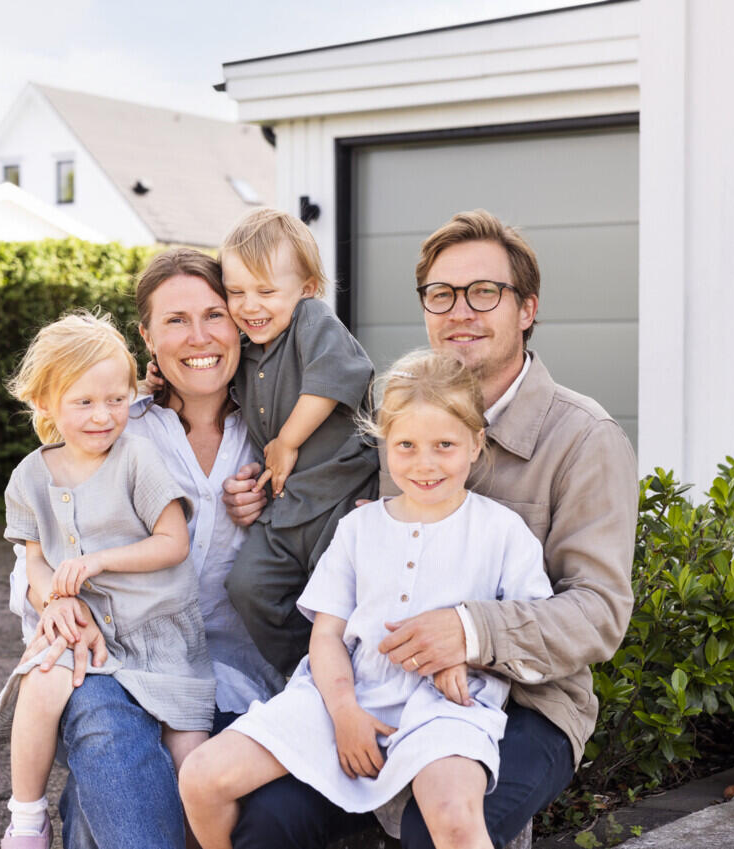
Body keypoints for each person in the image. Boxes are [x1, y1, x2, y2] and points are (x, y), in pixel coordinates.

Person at [223, 209, 639, 849]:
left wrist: (470, 630)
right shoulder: (406, 408)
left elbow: (600, 612)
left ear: (526, 309)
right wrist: (260, 499)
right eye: (441, 295)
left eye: (484, 293)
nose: (460, 311)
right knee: (267, 819)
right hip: (385, 690)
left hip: (530, 703)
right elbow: (345, 512)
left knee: (430, 826)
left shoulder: (584, 439)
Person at [181, 350, 553, 849]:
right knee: (202, 776)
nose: (424, 464)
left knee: (453, 815)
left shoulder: (502, 531)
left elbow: (531, 624)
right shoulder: (359, 528)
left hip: (444, 704)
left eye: (444, 444)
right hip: (346, 692)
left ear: (475, 443)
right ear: (384, 445)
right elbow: (327, 633)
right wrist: (344, 712)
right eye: (406, 445)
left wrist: (467, 650)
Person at [7, 249, 283, 849]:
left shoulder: (279, 435)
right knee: (104, 719)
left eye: (215, 314)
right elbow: (38, 550)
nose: (199, 336)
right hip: (110, 649)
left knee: (108, 791)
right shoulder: (113, 425)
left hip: (229, 673)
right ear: (147, 339)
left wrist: (274, 506)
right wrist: (55, 600)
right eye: (175, 321)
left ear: (239, 322)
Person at [0, 310, 212, 848]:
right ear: (45, 404)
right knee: (42, 679)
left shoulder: (137, 458)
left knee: (192, 764)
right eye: (83, 402)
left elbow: (172, 542)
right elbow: (34, 560)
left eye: (115, 400)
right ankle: (26, 816)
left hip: (162, 637)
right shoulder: (30, 475)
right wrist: (53, 602)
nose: (103, 416)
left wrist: (102, 561)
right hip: (89, 638)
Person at [220, 207, 379, 675]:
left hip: (341, 498)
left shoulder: (313, 321)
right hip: (286, 509)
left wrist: (287, 440)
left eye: (266, 291)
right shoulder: (246, 348)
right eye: (236, 292)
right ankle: (304, 673)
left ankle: (356, 678)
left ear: (307, 287)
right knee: (248, 588)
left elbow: (336, 375)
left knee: (342, 600)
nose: (250, 306)